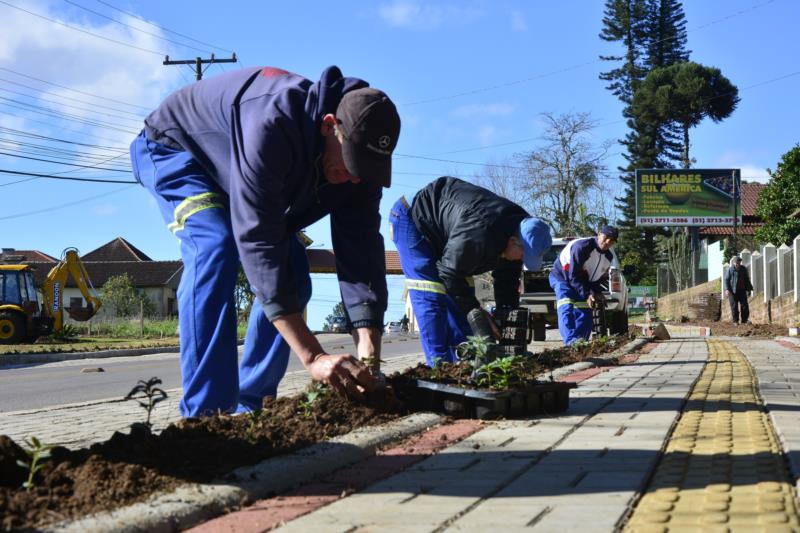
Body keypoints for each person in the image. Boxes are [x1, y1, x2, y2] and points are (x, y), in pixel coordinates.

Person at [129, 65, 401, 417]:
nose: (352, 177)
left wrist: (369, 354)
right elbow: (257, 240)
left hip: (234, 172)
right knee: (216, 246)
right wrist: (314, 357)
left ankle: (250, 406)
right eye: (350, 163)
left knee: (293, 269)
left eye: (362, 169)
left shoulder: (361, 169)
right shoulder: (273, 121)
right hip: (175, 150)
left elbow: (362, 252)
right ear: (328, 125)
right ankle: (206, 416)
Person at [389, 177, 552, 366]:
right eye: (523, 255)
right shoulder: (480, 231)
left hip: (450, 232)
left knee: (463, 292)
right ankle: (440, 366)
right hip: (411, 218)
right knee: (430, 292)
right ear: (512, 240)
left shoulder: (521, 231)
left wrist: (504, 317)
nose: (521, 261)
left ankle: (465, 359)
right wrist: (478, 315)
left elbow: (507, 281)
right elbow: (448, 274)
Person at [549, 226, 618, 345]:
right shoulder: (582, 247)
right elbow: (574, 275)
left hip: (581, 282)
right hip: (562, 278)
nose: (607, 242)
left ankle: (581, 342)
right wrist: (587, 294)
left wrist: (596, 293)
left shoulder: (608, 257)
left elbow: (595, 279)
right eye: (606, 237)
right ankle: (571, 342)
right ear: (599, 234)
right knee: (566, 307)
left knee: (585, 312)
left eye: (612, 240)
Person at [724, 255, 753, 324]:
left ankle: (744, 320)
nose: (738, 264)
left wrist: (748, 289)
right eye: (737, 263)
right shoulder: (730, 270)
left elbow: (746, 279)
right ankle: (735, 321)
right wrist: (727, 289)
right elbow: (726, 280)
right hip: (732, 291)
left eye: (739, 263)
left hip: (742, 290)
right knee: (734, 306)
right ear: (734, 263)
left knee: (744, 305)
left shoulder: (743, 269)